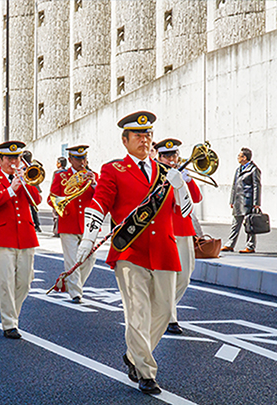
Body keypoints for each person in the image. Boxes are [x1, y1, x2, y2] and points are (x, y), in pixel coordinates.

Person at [75, 111, 192, 395]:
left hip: (164, 249)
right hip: (130, 250)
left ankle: (133, 356)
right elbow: (99, 202)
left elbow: (185, 210)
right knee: (137, 312)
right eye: (138, 135)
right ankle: (146, 372)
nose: (144, 139)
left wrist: (181, 187)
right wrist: (87, 239)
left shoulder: (166, 172)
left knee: (164, 312)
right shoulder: (114, 169)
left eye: (148, 135)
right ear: (125, 141)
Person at [0, 141, 41, 339]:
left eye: (17, 158)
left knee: (25, 282)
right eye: (9, 158)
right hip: (2, 236)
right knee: (6, 281)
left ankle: (12, 316)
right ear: (0, 160)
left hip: (26, 235)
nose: (14, 162)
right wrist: (10, 189)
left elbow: (37, 201)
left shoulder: (25, 177)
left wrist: (26, 181)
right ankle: (9, 324)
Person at [154, 139, 203, 335]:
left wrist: (187, 181)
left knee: (185, 276)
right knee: (169, 277)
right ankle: (170, 317)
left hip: (184, 229)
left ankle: (162, 310)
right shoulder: (154, 174)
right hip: (166, 229)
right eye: (167, 156)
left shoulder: (182, 172)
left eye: (174, 155)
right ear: (159, 157)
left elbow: (197, 199)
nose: (172, 159)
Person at [48, 145, 98, 303]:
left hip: (88, 224)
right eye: (78, 159)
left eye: (83, 158)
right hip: (68, 221)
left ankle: (73, 283)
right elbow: (51, 198)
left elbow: (102, 198)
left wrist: (95, 184)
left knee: (90, 258)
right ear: (70, 160)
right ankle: (76, 293)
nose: (82, 162)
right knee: (72, 259)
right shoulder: (61, 176)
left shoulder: (93, 175)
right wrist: (61, 208)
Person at [221, 147, 261, 254]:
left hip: (248, 201)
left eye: (240, 156)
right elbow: (234, 186)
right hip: (238, 201)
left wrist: (256, 203)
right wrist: (232, 200)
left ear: (245, 157)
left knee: (249, 225)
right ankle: (230, 244)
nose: (238, 158)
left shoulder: (253, 169)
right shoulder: (238, 169)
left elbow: (257, 186)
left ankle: (250, 246)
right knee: (235, 224)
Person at [52, 156, 68, 237]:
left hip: (57, 195)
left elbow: (53, 184)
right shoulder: (67, 172)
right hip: (65, 195)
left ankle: (56, 231)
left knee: (56, 214)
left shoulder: (56, 173)